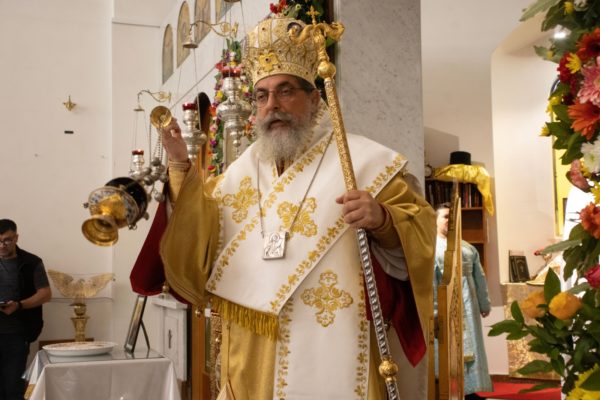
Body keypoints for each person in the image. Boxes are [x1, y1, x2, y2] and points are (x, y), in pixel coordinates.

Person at [159, 15, 436, 400]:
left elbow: (421, 233)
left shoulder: (364, 163)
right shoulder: (241, 172)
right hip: (252, 356)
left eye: (285, 91)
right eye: (261, 96)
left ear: (315, 99)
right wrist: (180, 166)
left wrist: (383, 220)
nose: (272, 106)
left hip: (336, 343)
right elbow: (200, 244)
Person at [433, 203, 492, 398]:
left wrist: (484, 303)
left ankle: (470, 390)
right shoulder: (432, 249)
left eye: (453, 217)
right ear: (435, 220)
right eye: (445, 216)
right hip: (446, 307)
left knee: (472, 346)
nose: (450, 220)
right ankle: (447, 390)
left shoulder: (468, 248)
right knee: (448, 349)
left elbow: (479, 277)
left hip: (469, 305)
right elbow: (431, 282)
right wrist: (435, 310)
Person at [0, 219, 51, 400]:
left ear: (16, 238)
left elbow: (45, 294)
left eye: (7, 240)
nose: (2, 245)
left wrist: (19, 305)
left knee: (13, 388)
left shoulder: (31, 262)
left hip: (18, 334)